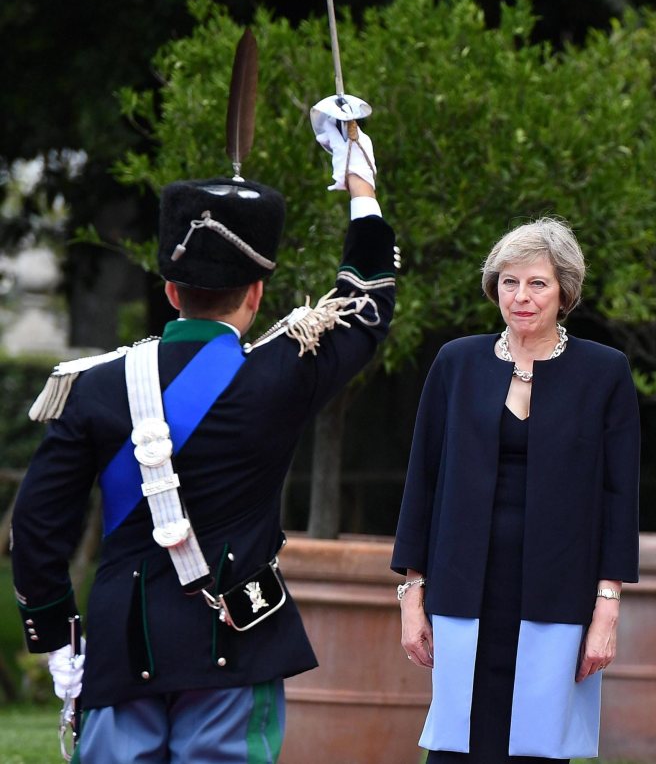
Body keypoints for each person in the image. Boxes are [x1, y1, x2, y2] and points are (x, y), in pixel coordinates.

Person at [10, 108, 397, 762]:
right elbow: (366, 300)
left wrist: (56, 638)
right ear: (256, 293)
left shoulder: (96, 387)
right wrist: (359, 185)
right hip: (232, 642)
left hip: (119, 648)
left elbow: (38, 527)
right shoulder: (282, 373)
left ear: (168, 289)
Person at [391, 217, 640, 762]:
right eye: (509, 282)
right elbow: (422, 482)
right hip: (462, 586)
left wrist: (607, 609)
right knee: (456, 747)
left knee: (536, 749)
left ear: (564, 291)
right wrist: (412, 595)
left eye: (537, 283)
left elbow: (619, 499)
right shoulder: (456, 362)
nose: (520, 296)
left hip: (558, 591)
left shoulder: (605, 372)